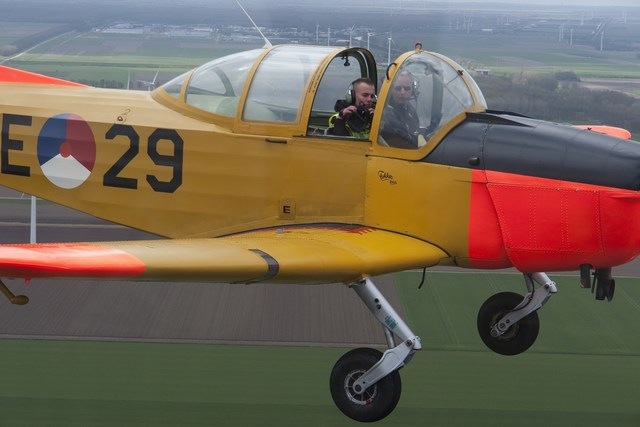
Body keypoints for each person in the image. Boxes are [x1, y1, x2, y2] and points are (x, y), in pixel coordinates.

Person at [380, 71, 420, 149]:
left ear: (413, 90)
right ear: (390, 90)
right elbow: (407, 143)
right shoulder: (387, 114)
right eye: (398, 88)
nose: (402, 92)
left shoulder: (410, 109)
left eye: (406, 88)